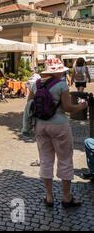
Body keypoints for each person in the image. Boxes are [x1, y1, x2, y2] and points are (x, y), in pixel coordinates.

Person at [28, 56, 88, 208]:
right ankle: (67, 198)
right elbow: (68, 108)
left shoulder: (36, 84)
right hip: (59, 125)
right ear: (59, 71)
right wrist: (81, 106)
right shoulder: (61, 85)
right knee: (65, 159)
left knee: (46, 159)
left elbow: (29, 104)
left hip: (41, 125)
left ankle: (49, 197)